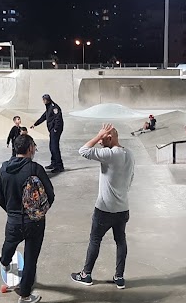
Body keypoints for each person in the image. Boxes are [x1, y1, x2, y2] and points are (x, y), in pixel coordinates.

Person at [71, 124, 135, 290]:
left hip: (105, 209)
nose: (100, 142)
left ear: (110, 138)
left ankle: (86, 274)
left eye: (103, 139)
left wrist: (98, 136)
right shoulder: (130, 154)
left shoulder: (110, 154)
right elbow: (130, 179)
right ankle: (119, 277)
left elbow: (83, 150)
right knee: (121, 241)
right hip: (123, 208)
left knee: (95, 239)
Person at [0, 135, 55, 303]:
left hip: (13, 222)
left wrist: (13, 213)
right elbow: (50, 195)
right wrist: (37, 212)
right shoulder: (35, 169)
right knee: (30, 259)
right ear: (30, 148)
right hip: (34, 222)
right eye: (34, 147)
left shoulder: (4, 169)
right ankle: (24, 296)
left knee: (9, 246)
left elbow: (0, 197)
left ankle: (5, 261)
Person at [31, 94, 64, 173]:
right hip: (52, 130)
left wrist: (55, 129)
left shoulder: (54, 107)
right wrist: (35, 124)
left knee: (54, 147)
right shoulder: (48, 108)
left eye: (45, 99)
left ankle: (59, 166)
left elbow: (58, 119)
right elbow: (43, 117)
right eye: (43, 100)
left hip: (55, 130)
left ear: (48, 99)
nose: (44, 101)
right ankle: (53, 163)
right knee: (51, 147)